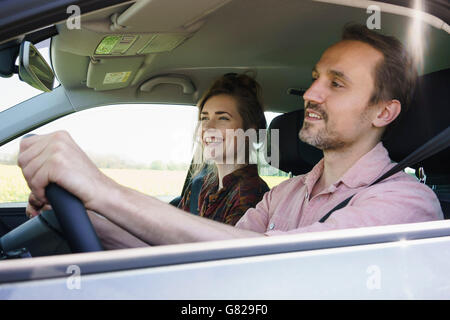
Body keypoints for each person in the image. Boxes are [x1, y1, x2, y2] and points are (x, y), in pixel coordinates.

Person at [20, 24, 443, 249]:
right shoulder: (286, 193)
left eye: (336, 84)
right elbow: (217, 255)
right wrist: (83, 215)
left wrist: (102, 189)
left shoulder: (403, 202)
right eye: (315, 79)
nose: (310, 94)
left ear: (383, 111)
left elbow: (277, 263)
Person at [176, 73, 270, 225]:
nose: (207, 127)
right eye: (205, 118)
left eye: (223, 118)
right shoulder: (199, 187)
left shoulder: (252, 195)